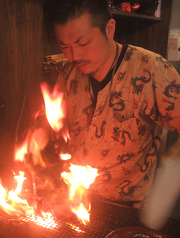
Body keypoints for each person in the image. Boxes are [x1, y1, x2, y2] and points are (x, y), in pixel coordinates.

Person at [43, 0, 180, 208]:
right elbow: (55, 123)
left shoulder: (152, 71)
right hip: (76, 199)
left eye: (82, 43)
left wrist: (173, 168)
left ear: (109, 29)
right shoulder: (68, 74)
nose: (74, 56)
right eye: (64, 46)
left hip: (128, 207)